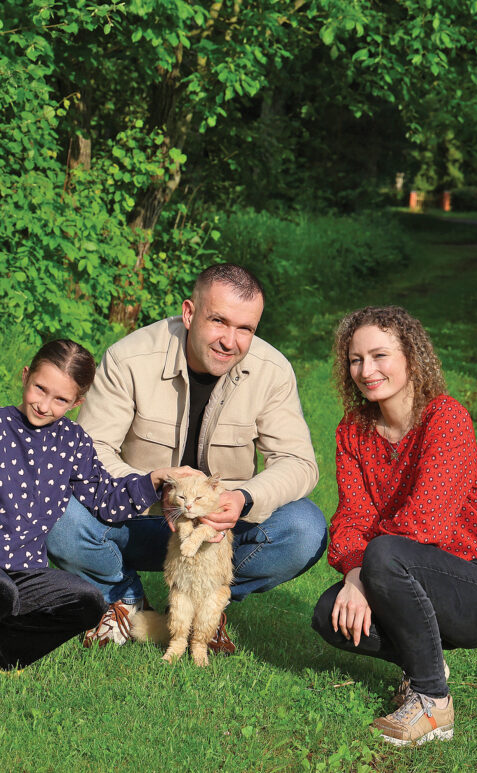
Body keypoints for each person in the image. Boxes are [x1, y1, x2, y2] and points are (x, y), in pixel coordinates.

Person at [47, 263, 327, 651]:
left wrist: (242, 499)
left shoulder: (273, 371)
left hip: (220, 530)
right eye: (219, 321)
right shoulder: (129, 358)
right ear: (189, 313)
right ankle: (124, 599)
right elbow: (90, 452)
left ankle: (206, 602)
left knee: (304, 528)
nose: (230, 341)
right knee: (57, 510)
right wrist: (150, 485)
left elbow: (298, 463)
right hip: (141, 519)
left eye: (245, 329)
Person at [0, 340, 190, 688]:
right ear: (26, 376)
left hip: (27, 568)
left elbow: (105, 500)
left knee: (89, 601)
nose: (44, 405)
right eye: (40, 389)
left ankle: (8, 647)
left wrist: (153, 480)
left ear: (77, 402)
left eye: (60, 399)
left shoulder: (74, 441)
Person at [310, 306, 477, 746]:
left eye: (380, 356)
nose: (366, 370)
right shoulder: (353, 431)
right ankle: (428, 662)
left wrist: (369, 567)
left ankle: (432, 702)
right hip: (398, 570)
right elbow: (351, 518)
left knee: (387, 553)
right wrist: (354, 574)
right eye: (355, 359)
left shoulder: (446, 418)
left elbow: (426, 522)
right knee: (330, 614)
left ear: (411, 356)